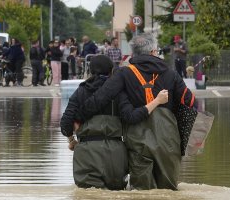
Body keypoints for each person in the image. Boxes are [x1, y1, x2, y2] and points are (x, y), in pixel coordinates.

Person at [75, 33, 196, 190]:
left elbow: (100, 98)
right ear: (154, 51)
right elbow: (191, 103)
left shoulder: (124, 73)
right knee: (169, 191)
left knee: (141, 192)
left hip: (138, 141)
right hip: (168, 141)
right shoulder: (171, 74)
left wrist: (78, 117)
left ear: (133, 53)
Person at [60, 55, 168, 190]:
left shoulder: (80, 92)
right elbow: (132, 117)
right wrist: (157, 101)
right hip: (115, 154)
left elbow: (65, 124)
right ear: (111, 72)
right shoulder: (119, 93)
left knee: (88, 195)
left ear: (90, 71)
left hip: (86, 153)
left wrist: (71, 140)